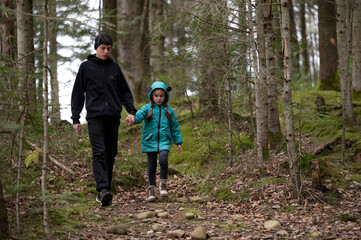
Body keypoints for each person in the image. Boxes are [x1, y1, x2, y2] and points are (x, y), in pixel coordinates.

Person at [71, 33, 136, 206]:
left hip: (113, 117)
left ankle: (105, 189)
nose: (106, 52)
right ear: (96, 48)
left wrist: (131, 111)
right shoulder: (86, 67)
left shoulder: (114, 68)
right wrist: (75, 118)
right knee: (98, 152)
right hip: (95, 118)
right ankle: (102, 190)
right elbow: (78, 93)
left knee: (111, 153)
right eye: (103, 48)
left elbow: (124, 91)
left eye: (108, 49)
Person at [127, 81, 183, 202]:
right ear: (152, 96)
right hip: (149, 140)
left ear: (165, 96)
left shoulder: (169, 110)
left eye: (161, 96)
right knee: (151, 167)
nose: (158, 98)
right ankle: (151, 190)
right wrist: (133, 119)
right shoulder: (147, 108)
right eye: (156, 96)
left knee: (163, 160)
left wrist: (178, 142)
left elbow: (174, 127)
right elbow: (139, 116)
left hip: (164, 140)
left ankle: (163, 185)